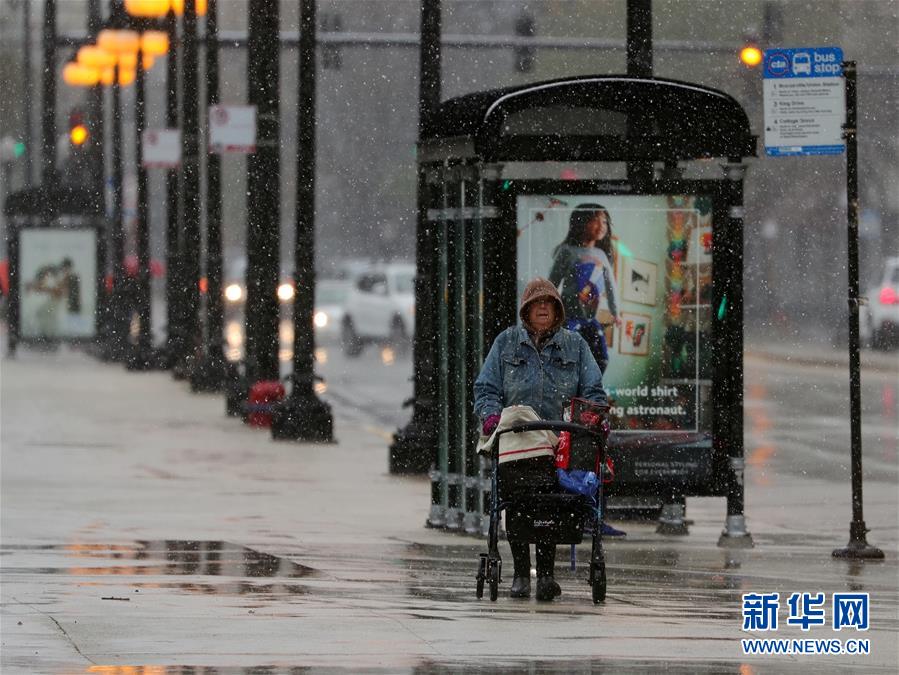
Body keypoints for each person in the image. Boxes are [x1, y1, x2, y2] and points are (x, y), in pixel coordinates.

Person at [474, 277, 608, 601]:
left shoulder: (575, 345)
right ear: (526, 311)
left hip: (559, 437)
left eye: (549, 303)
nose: (543, 308)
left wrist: (588, 417)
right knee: (519, 498)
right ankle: (521, 573)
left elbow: (593, 391)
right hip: (519, 439)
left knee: (550, 500)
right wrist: (492, 416)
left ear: (559, 311)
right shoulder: (506, 343)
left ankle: (546, 575)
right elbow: (486, 388)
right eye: (537, 304)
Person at [548, 203, 620, 374]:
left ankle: (589, 392)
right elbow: (552, 282)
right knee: (563, 356)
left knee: (601, 358)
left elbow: (611, 286)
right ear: (581, 222)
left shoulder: (601, 255)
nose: (601, 226)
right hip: (568, 317)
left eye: (604, 222)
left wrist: (616, 313)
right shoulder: (567, 251)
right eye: (595, 221)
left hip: (590, 319)